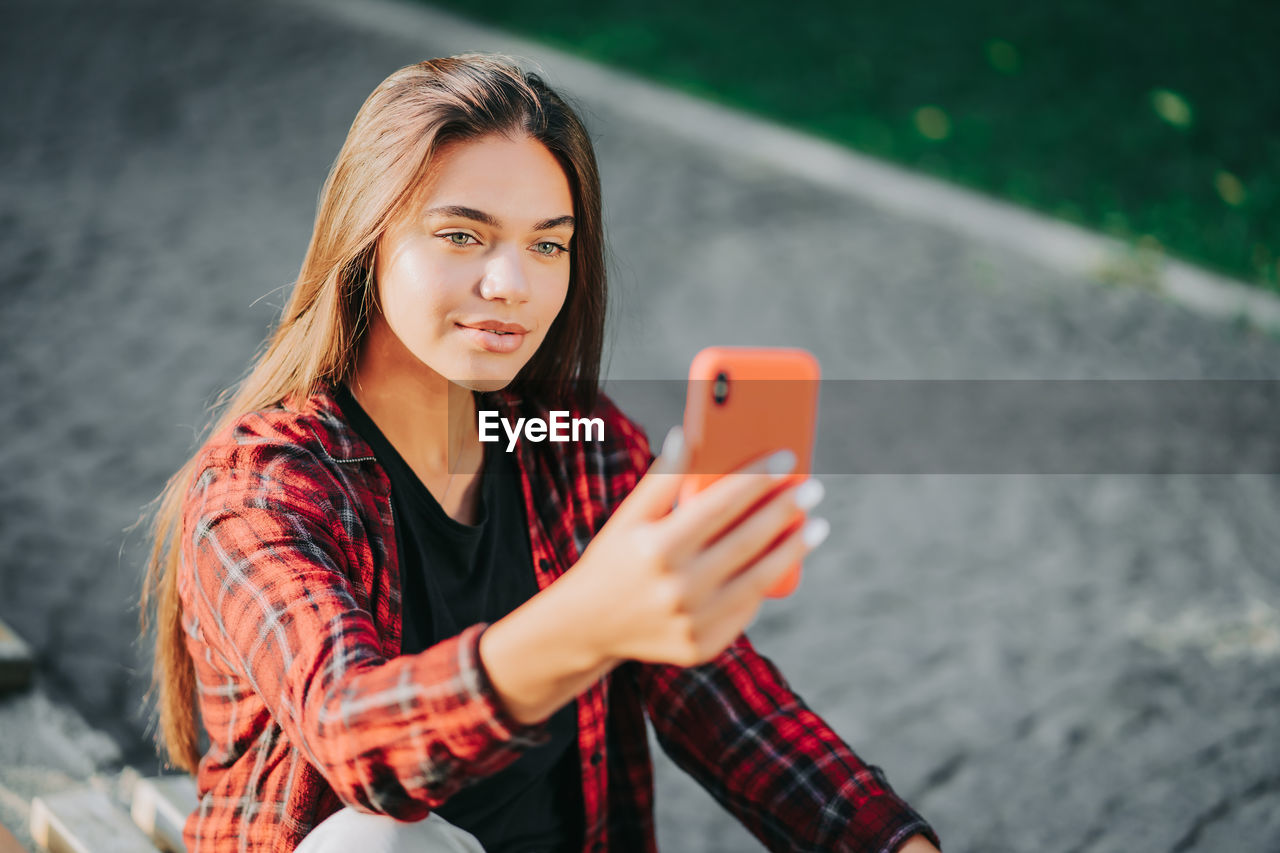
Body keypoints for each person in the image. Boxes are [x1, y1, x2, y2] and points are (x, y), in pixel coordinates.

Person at [138, 54, 942, 853]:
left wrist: (895, 843)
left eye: (549, 246)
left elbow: (732, 708)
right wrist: (589, 620)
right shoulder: (264, 488)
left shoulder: (570, 446)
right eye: (463, 235)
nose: (512, 284)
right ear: (367, 236)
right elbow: (358, 741)